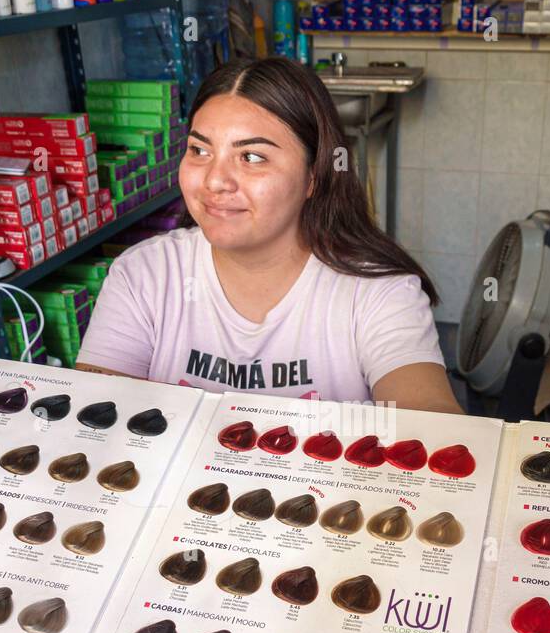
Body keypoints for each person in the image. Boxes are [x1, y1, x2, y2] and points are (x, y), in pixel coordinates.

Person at [76, 57, 461, 414]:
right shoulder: (144, 274)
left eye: (252, 157)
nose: (215, 180)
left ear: (314, 176)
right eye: (199, 150)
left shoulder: (377, 291)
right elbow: (92, 423)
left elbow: (432, 427)